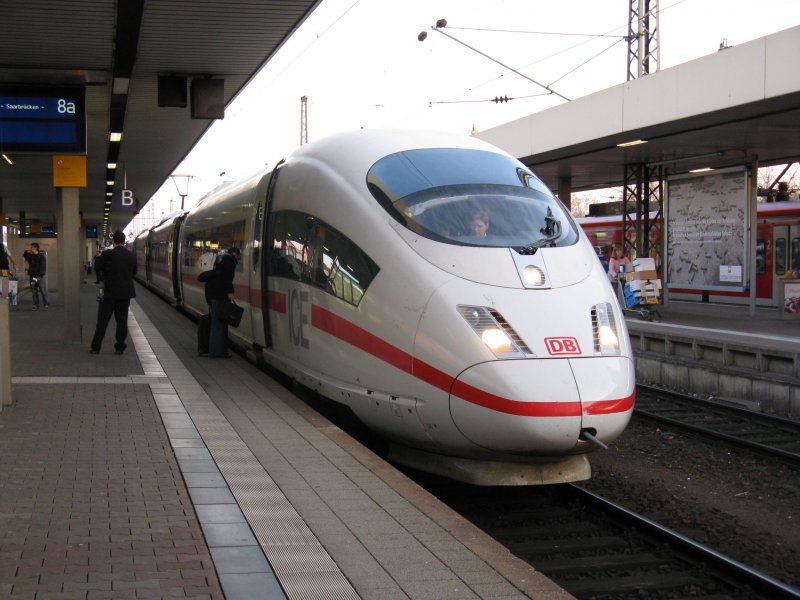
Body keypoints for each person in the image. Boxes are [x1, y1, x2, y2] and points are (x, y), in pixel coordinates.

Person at [90, 230, 137, 355]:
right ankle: (120, 347)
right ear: (124, 241)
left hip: (109, 293)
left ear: (114, 242)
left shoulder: (107, 254)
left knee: (103, 321)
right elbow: (134, 272)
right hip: (125, 294)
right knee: (122, 321)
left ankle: (96, 347)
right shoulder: (131, 255)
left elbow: (97, 267)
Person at [202, 246, 240, 358]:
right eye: (238, 256)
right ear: (234, 253)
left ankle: (215, 350)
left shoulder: (220, 258)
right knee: (219, 324)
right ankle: (217, 352)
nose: (238, 259)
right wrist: (230, 292)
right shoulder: (230, 260)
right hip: (220, 296)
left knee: (216, 324)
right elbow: (227, 278)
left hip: (212, 294)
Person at [23, 242, 50, 310]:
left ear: (36, 248)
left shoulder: (41, 256)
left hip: (40, 277)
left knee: (43, 291)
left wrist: (40, 276)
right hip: (33, 276)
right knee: (34, 291)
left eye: (32, 247)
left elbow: (43, 267)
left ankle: (46, 304)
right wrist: (26, 251)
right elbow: (25, 255)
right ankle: (35, 305)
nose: (30, 248)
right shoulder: (30, 256)